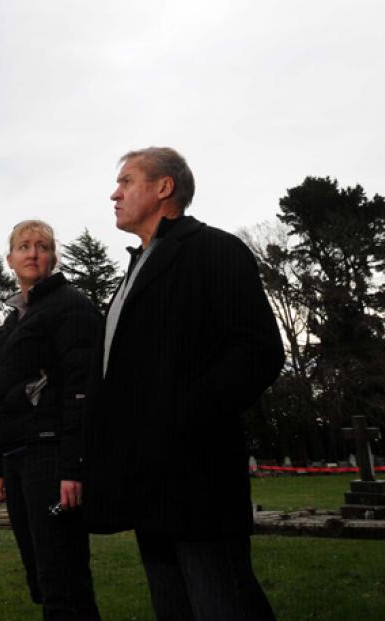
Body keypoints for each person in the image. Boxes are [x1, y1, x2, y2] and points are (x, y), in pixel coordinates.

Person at [85, 147, 283, 620]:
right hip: (147, 486)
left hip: (198, 481)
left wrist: (181, 416)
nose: (114, 193)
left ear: (164, 188)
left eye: (127, 181)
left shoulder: (213, 250)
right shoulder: (136, 270)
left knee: (223, 604)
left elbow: (258, 351)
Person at [0, 219, 102, 620]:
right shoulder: (12, 322)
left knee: (64, 580)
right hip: (18, 457)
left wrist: (74, 467)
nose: (32, 252)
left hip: (51, 456)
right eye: (23, 246)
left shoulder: (70, 306)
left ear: (53, 257)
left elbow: (80, 390)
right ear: (10, 259)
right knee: (40, 575)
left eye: (41, 246)